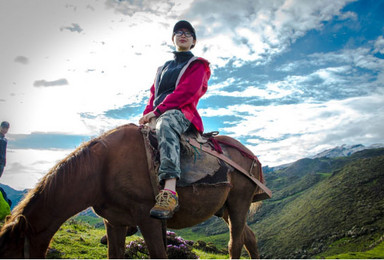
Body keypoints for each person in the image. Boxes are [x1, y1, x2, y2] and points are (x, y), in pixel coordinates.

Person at [139, 20, 211, 219]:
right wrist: (147, 114)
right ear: (173, 39)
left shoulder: (198, 65)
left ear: (193, 41)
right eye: (178, 32)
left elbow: (187, 92)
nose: (183, 35)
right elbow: (153, 95)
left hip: (181, 113)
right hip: (158, 112)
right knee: (132, 136)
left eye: (188, 33)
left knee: (166, 124)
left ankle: (170, 191)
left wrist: (158, 112)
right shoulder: (162, 68)